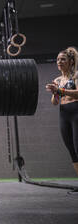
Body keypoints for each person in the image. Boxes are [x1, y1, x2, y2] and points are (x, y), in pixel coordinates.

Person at [46, 47, 78, 193]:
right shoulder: (58, 80)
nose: (59, 62)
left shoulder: (76, 75)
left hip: (76, 112)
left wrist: (61, 90)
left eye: (63, 59)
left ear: (71, 61)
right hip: (64, 114)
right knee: (71, 149)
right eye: (58, 59)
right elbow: (55, 102)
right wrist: (55, 92)